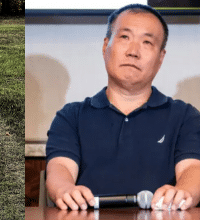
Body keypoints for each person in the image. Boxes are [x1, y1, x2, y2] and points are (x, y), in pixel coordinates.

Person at [46, 4, 200, 211]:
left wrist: (185, 192)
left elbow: (193, 168)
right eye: (125, 37)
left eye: (147, 42)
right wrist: (63, 189)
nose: (133, 52)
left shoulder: (185, 116)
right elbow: (61, 166)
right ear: (105, 46)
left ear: (161, 57)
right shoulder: (71, 116)